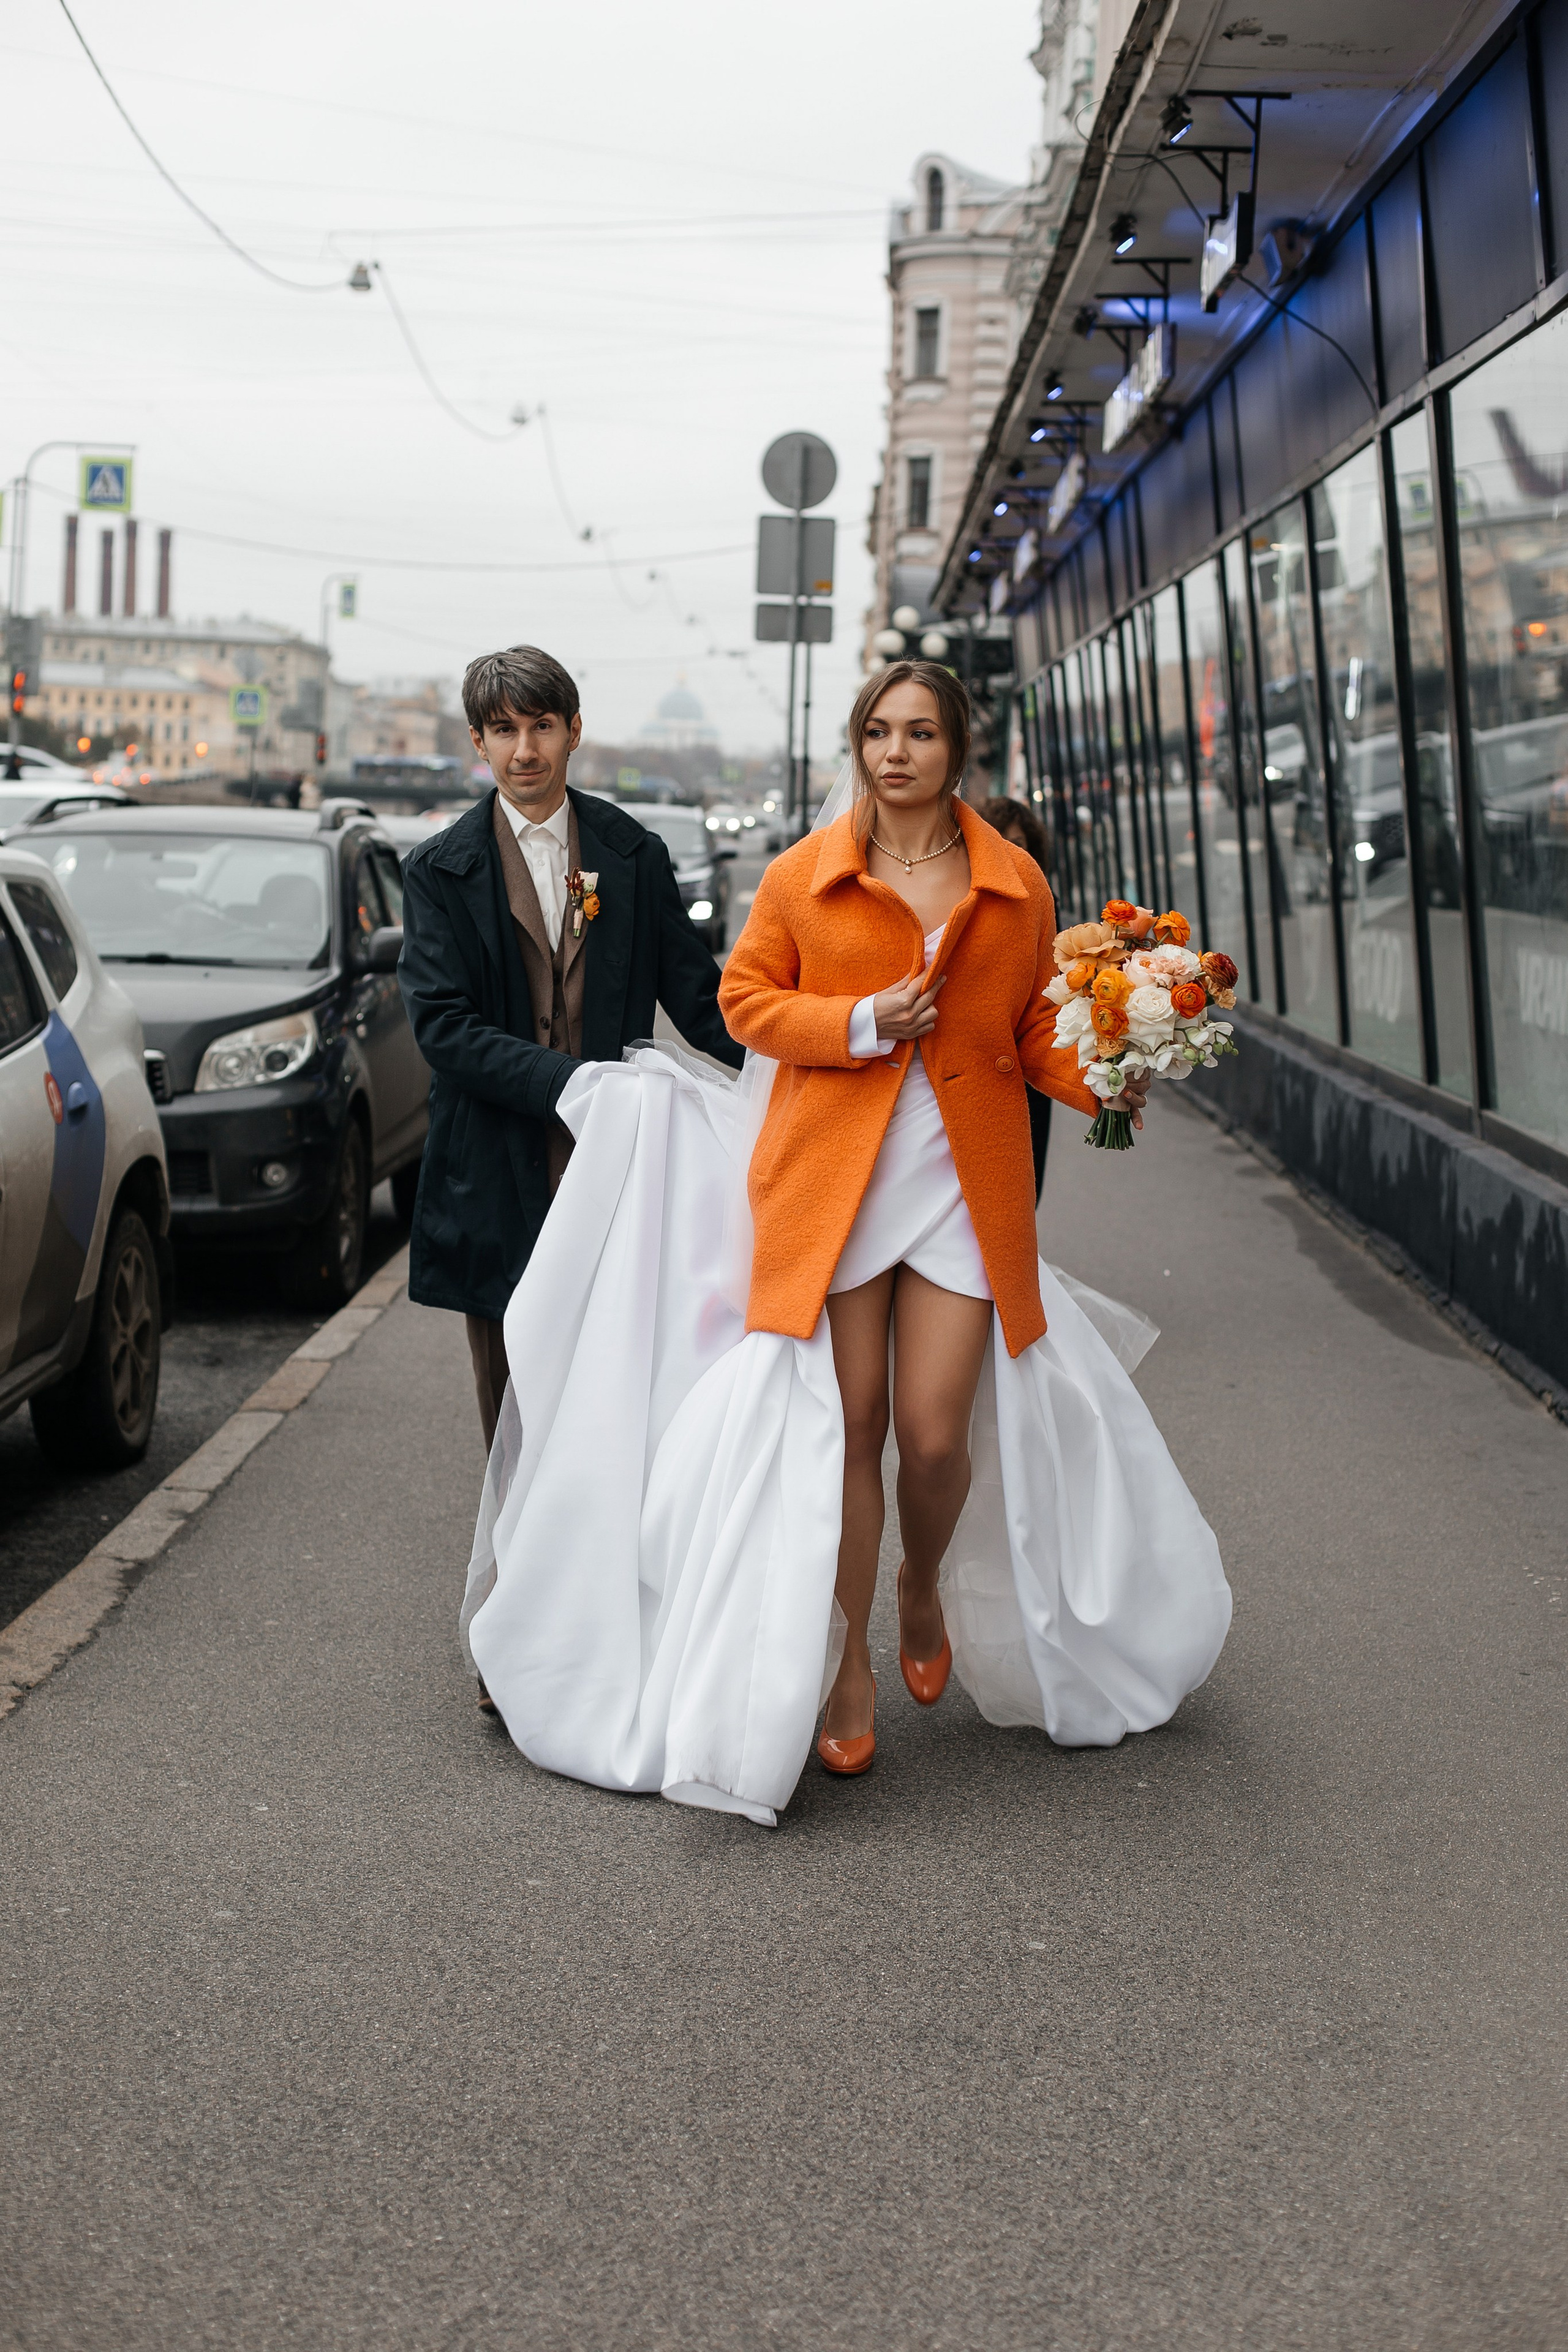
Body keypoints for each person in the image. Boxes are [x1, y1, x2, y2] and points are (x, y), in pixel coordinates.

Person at [458, 661, 1231, 1824]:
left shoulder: (1013, 881)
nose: (898, 752)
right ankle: (849, 1664)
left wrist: (1114, 1074)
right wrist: (864, 1022)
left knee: (930, 1435)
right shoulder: (803, 878)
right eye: (879, 731)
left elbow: (1030, 1026)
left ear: (956, 750)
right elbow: (744, 1003)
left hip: (965, 1186)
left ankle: (922, 1583)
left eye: (921, 732)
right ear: (859, 747)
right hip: (836, 1181)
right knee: (850, 1427)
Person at [399, 643, 743, 1463]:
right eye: (503, 730)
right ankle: (522, 1576)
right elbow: (443, 1028)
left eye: (542, 726)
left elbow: (701, 1001)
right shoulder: (439, 872)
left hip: (619, 1165)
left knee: (617, 1385)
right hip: (493, 1165)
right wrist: (574, 1082)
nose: (525, 750)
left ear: (575, 730)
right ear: (477, 744)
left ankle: (605, 1564)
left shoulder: (633, 854)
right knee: (513, 1399)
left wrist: (816, 1052)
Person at [978, 794, 1055, 1203]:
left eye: (1019, 843)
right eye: (998, 841)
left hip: (1031, 1070)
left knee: (1024, 1194)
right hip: (980, 1074)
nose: (1010, 852)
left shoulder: (1044, 904)